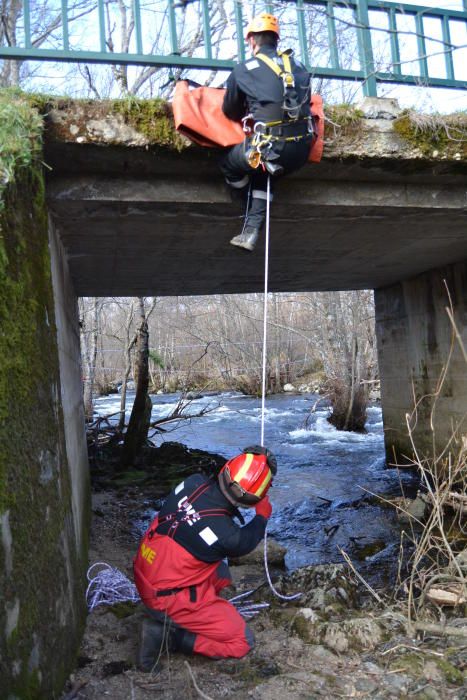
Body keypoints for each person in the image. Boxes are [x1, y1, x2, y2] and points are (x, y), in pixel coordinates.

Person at [133, 445, 277, 672]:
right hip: (165, 598)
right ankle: (170, 637)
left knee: (221, 573)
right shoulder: (228, 536)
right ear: (250, 501)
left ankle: (191, 612)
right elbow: (247, 540)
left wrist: (254, 460)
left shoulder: (193, 481)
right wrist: (262, 515)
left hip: (146, 569)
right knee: (242, 642)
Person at [220, 12, 314, 252]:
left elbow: (230, 110)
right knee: (264, 174)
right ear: (276, 40)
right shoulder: (300, 68)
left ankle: (243, 197)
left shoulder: (245, 69)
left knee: (230, 164)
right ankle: (251, 232)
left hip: (270, 149)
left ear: (252, 40)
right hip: (301, 150)